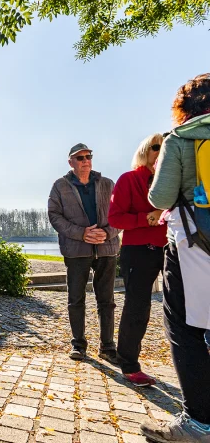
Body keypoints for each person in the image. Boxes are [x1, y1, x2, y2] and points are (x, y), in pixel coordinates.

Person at [141, 74, 210, 442]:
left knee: (185, 328)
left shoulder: (181, 138)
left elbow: (161, 197)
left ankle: (198, 424)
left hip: (193, 246)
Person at [48, 143, 121, 362]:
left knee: (107, 300)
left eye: (88, 156)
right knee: (75, 299)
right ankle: (78, 345)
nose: (85, 161)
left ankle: (107, 347)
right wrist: (81, 234)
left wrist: (107, 233)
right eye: (80, 158)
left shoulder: (108, 184)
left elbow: (121, 213)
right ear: (70, 162)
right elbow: (54, 216)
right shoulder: (60, 186)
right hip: (76, 250)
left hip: (106, 249)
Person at [108, 133, 167, 387]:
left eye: (166, 147)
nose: (161, 151)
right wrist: (147, 218)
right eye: (156, 147)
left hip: (172, 249)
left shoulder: (176, 181)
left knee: (183, 305)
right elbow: (115, 218)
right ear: (145, 151)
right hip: (138, 251)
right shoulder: (128, 179)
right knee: (138, 307)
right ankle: (129, 365)